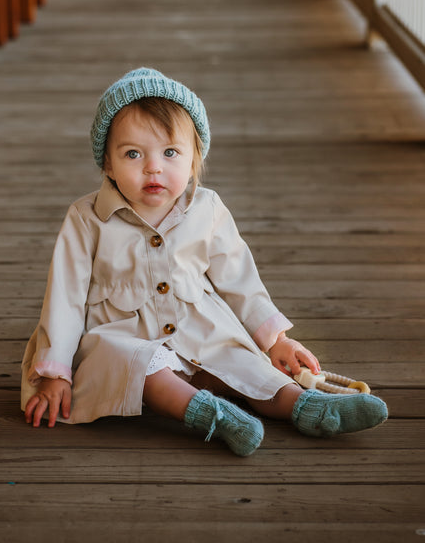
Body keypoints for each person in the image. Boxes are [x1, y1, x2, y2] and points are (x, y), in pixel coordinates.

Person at [21, 67, 388, 456]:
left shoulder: (206, 209)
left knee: (246, 364)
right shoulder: (87, 218)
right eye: (132, 154)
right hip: (124, 333)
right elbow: (65, 299)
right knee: (141, 365)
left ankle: (306, 406)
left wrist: (276, 340)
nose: (153, 167)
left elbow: (239, 279)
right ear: (107, 164)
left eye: (170, 152)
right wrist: (54, 374)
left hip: (199, 328)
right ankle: (212, 416)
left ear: (194, 158)